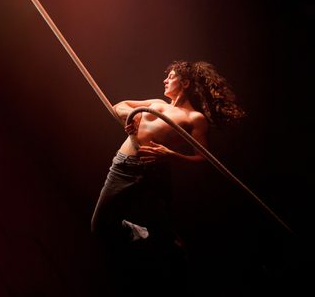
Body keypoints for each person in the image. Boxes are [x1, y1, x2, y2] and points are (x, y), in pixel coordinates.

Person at [90, 60, 245, 296]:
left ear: (184, 82)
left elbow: (203, 159)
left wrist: (172, 155)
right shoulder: (156, 103)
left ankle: (169, 263)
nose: (165, 80)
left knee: (165, 237)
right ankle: (141, 236)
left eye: (170, 76)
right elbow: (118, 106)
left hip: (154, 174)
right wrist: (132, 117)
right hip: (124, 167)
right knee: (99, 225)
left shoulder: (194, 118)